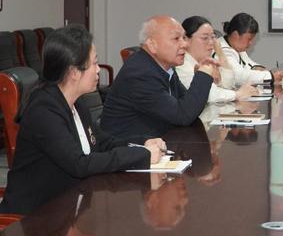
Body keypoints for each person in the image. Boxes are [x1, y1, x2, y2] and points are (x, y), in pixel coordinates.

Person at [0, 25, 162, 215]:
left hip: (67, 206)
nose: (98, 70)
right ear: (74, 72)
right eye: (94, 63)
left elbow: (103, 143)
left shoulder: (75, 102)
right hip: (33, 217)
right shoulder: (43, 110)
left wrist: (143, 142)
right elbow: (79, 164)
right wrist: (142, 156)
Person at [101, 15, 215, 140]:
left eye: (183, 37)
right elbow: (183, 115)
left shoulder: (165, 67)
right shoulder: (141, 73)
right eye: (176, 38)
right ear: (152, 44)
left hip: (159, 140)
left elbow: (188, 106)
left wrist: (201, 77)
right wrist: (203, 76)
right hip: (128, 147)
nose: (185, 44)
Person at [175, 16, 258, 104]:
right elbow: (208, 95)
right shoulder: (181, 65)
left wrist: (220, 52)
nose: (211, 42)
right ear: (186, 39)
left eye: (213, 37)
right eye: (205, 38)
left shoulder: (207, 61)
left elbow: (228, 84)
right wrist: (237, 94)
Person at [218, 12, 283, 85]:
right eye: (249, 39)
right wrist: (270, 76)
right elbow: (239, 76)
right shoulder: (221, 51)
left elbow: (249, 64)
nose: (251, 43)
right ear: (235, 35)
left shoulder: (237, 47)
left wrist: (261, 69)